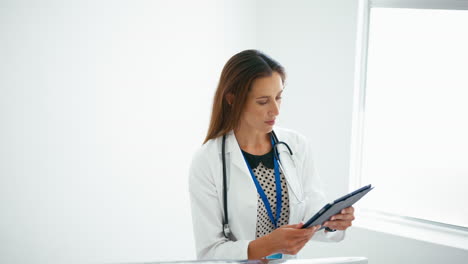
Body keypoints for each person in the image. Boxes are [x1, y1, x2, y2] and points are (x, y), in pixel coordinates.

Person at [188, 49, 355, 260]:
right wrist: (266, 245)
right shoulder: (207, 160)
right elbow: (209, 252)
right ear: (232, 99)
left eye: (278, 97)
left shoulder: (296, 146)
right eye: (263, 101)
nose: (275, 110)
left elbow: (312, 214)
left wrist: (332, 223)